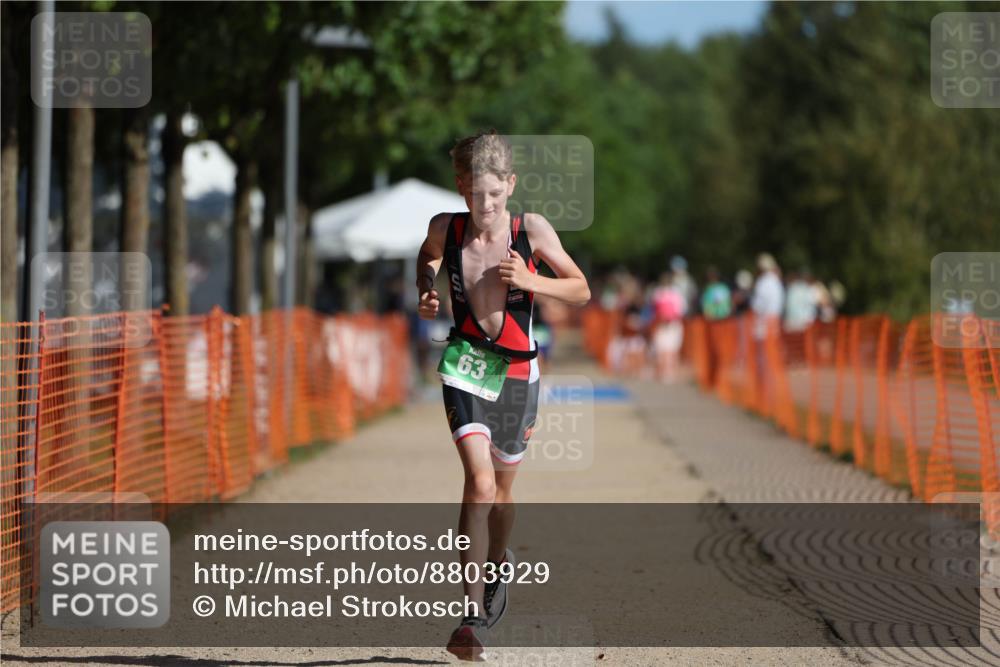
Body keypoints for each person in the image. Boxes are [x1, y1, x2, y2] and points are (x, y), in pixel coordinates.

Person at [415, 131, 590, 660]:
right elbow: (426, 257)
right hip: (466, 365)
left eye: (495, 194)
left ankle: (496, 566)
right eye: (475, 194)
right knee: (480, 483)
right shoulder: (445, 229)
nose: (485, 205)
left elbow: (580, 288)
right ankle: (470, 617)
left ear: (510, 186)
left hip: (518, 374)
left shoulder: (529, 231)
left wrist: (533, 283)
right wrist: (425, 287)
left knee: (503, 494)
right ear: (461, 187)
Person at [650, 272, 687, 383]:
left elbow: (680, 310)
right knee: (665, 349)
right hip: (664, 324)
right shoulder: (659, 293)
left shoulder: (670, 293)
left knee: (669, 350)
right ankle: (664, 372)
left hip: (670, 324)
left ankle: (667, 373)